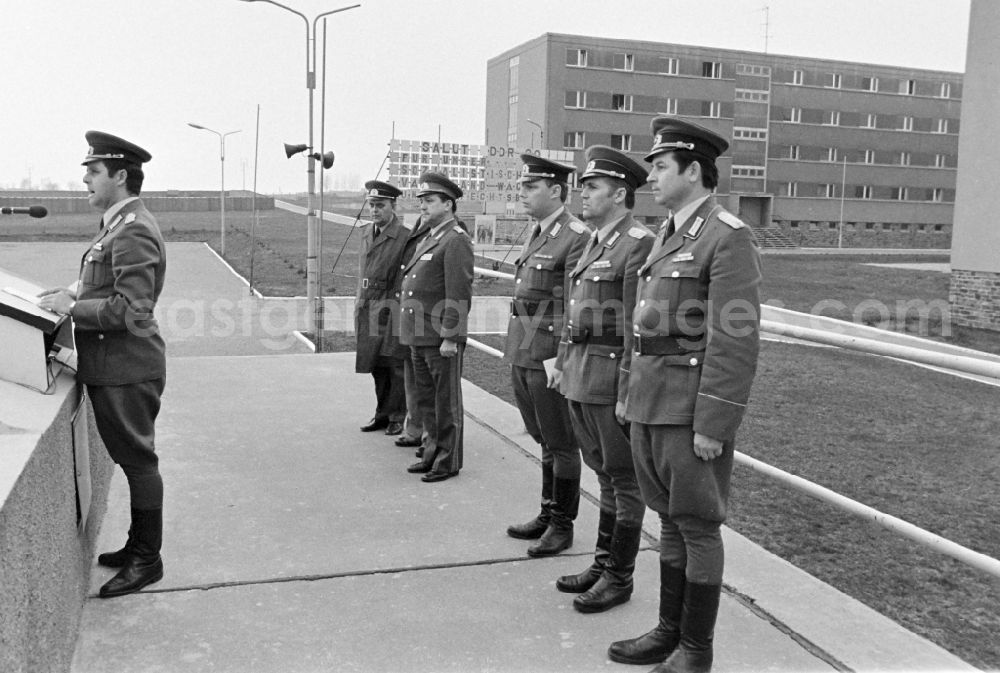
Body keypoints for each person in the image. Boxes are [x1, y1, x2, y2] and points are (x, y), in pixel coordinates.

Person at [607, 118, 761, 673]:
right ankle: (670, 632)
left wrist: (714, 423)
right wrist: (626, 391)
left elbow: (734, 338)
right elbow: (638, 326)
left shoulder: (726, 236)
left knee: (696, 524)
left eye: (661, 166)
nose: (650, 176)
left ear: (694, 171)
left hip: (688, 406)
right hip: (650, 400)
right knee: (667, 519)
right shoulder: (670, 234)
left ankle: (697, 650)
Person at [39, 131, 167, 599]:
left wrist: (72, 309)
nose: (86, 181)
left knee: (138, 462)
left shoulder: (132, 227)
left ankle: (147, 560)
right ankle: (138, 545)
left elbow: (133, 308)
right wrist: (72, 293)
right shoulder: (118, 223)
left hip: (128, 367)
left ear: (120, 176)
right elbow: (103, 283)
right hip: (115, 365)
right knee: (132, 458)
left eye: (93, 173)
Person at [550, 146, 654, 613]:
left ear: (619, 193)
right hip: (580, 373)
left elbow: (638, 325)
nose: (583, 195)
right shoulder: (596, 240)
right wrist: (561, 362)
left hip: (610, 377)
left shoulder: (637, 243)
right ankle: (602, 561)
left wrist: (628, 389)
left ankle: (619, 577)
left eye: (592, 188)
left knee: (623, 480)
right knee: (604, 476)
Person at [504, 154, 589, 558]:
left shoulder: (575, 236)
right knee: (542, 439)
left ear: (556, 191)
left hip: (548, 353)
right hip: (523, 346)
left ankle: (561, 526)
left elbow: (576, 306)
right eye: (522, 186)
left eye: (530, 187)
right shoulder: (539, 231)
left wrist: (561, 361)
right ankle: (547, 511)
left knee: (561, 443)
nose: (522, 193)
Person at [399, 172, 474, 483]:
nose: (424, 207)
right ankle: (431, 453)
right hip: (419, 334)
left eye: (430, 201)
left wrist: (451, 337)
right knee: (426, 400)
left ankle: (447, 461)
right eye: (422, 202)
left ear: (448, 204)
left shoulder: (455, 240)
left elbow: (459, 292)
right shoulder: (431, 238)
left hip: (439, 337)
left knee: (446, 403)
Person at [356, 180, 409, 437]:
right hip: (369, 305)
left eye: (380, 205)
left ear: (393, 206)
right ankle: (382, 413)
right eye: (372, 205)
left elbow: (405, 277)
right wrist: (359, 302)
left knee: (395, 364)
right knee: (375, 363)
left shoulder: (405, 236)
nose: (375, 210)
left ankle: (398, 416)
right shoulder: (366, 232)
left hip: (392, 305)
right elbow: (362, 272)